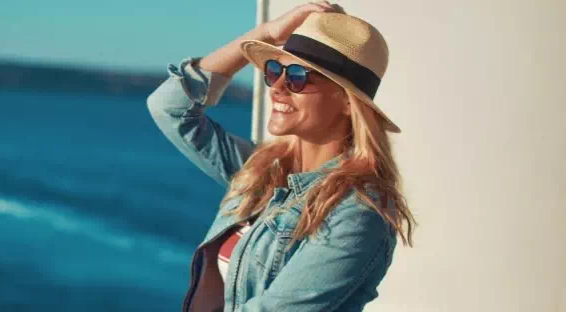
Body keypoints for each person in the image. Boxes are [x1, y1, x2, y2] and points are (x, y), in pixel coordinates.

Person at [146, 1, 416, 311]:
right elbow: (170, 107)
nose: (277, 87)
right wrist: (266, 34)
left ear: (346, 101)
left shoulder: (358, 213)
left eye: (299, 76)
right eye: (275, 70)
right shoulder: (263, 170)